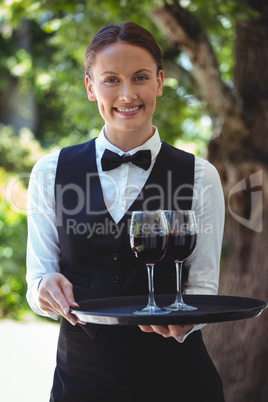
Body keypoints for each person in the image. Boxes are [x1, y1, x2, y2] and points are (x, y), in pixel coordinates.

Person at [26, 22, 225, 402]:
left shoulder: (201, 176)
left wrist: (186, 321)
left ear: (160, 82)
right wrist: (43, 288)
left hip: (178, 383)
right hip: (80, 382)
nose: (128, 94)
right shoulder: (49, 172)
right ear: (90, 87)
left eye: (140, 77)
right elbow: (38, 279)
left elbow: (202, 288)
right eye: (111, 80)